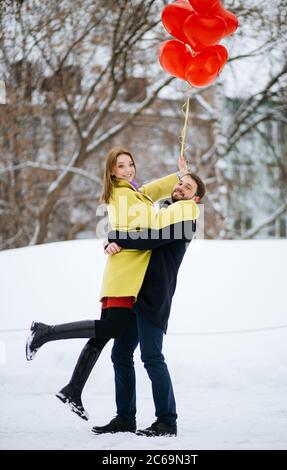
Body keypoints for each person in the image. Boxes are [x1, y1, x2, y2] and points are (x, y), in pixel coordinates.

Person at [25, 147, 197, 418]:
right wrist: (115, 236)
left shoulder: (130, 192)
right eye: (121, 166)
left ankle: (74, 389)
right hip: (126, 275)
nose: (128, 169)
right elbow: (152, 225)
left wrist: (178, 174)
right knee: (112, 328)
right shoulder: (123, 194)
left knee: (108, 335)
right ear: (112, 171)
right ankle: (46, 333)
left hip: (129, 276)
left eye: (131, 164)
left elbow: (149, 191)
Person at [91, 173, 205, 437]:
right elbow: (138, 227)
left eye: (188, 187)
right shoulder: (161, 212)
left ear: (195, 199)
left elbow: (150, 240)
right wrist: (112, 239)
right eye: (180, 183)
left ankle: (167, 420)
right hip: (132, 291)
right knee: (120, 354)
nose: (180, 188)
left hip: (154, 297)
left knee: (152, 357)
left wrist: (116, 237)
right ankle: (124, 418)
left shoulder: (186, 220)